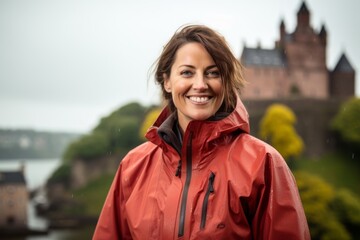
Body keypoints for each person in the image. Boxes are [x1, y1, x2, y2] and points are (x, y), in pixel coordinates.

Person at [93, 25, 310, 240]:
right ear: (167, 81)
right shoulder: (133, 167)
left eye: (213, 73)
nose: (200, 84)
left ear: (225, 82)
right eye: (187, 72)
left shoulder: (263, 163)